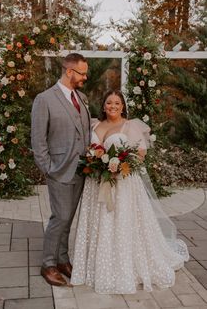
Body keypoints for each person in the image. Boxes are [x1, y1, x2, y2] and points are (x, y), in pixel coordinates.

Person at [71, 90, 189, 294]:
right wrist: (95, 162)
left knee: (121, 220)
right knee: (99, 220)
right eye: (109, 103)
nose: (113, 106)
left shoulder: (129, 126)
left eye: (117, 103)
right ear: (104, 105)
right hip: (96, 182)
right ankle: (96, 263)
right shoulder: (94, 124)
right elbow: (88, 150)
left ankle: (124, 266)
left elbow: (140, 155)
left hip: (122, 183)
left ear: (123, 106)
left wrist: (119, 165)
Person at [31, 53, 91, 287]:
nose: (85, 77)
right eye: (82, 73)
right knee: (60, 217)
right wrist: (48, 169)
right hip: (59, 169)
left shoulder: (82, 98)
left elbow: (84, 131)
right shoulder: (44, 99)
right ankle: (48, 264)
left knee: (69, 218)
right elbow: (38, 140)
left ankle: (63, 259)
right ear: (69, 72)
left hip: (81, 171)